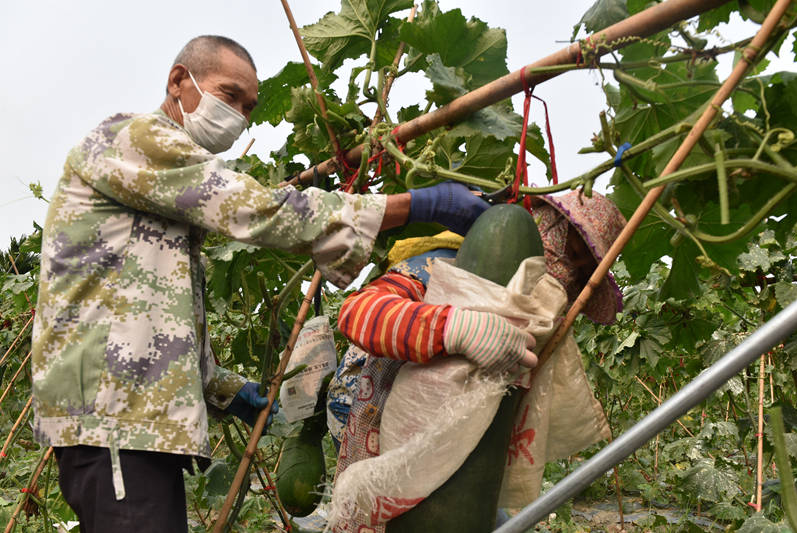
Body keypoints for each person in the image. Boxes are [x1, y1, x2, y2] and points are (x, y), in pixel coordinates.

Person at [31, 35, 488, 533]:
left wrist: (230, 390)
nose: (239, 116)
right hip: (115, 420)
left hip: (128, 422)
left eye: (248, 107)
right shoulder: (133, 139)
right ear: (179, 81)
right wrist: (414, 206)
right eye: (228, 96)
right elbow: (256, 209)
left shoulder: (162, 197)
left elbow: (152, 319)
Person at [326, 190, 626, 531]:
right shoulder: (443, 266)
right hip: (377, 422)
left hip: (460, 463)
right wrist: (451, 328)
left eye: (581, 271)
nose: (568, 271)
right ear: (545, 227)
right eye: (570, 252)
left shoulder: (544, 322)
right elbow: (357, 314)